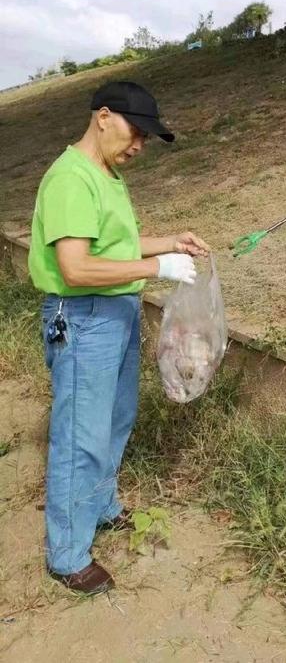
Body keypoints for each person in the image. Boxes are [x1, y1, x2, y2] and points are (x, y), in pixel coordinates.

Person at [28, 80, 210, 595]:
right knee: (80, 436)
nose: (139, 145)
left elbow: (114, 245)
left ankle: (100, 505)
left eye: (147, 139)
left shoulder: (105, 175)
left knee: (115, 416)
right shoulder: (71, 178)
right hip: (84, 317)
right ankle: (66, 554)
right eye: (136, 132)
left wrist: (170, 242)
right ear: (103, 116)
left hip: (117, 312)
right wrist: (158, 266)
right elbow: (77, 267)